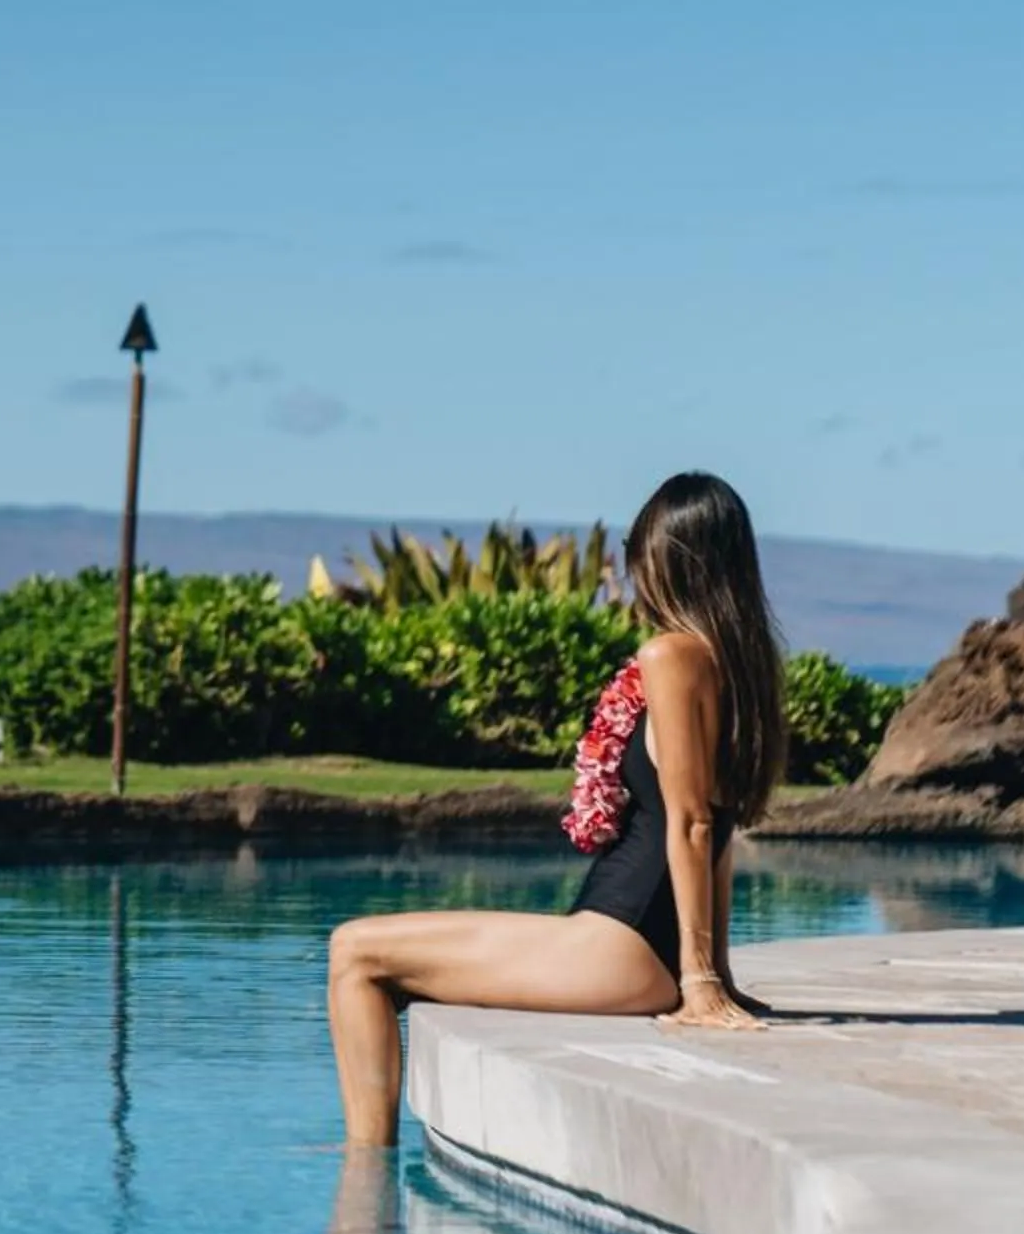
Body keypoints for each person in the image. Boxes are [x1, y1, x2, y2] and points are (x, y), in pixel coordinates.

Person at [326, 472, 784, 1146]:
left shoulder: (671, 655)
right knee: (373, 953)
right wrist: (716, 971)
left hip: (620, 947)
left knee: (354, 951)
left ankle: (364, 1174)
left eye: (638, 556)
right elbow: (716, 825)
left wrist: (702, 982)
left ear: (671, 561)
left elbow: (693, 823)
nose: (633, 576)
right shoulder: (737, 665)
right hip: (637, 948)